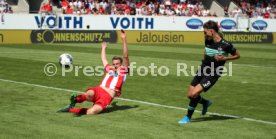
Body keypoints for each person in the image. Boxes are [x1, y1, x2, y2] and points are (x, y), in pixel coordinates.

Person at [178, 20, 240, 124]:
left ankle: (188, 117)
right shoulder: (207, 40)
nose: (204, 33)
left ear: (211, 31)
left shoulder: (226, 44)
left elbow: (238, 55)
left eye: (205, 31)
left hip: (213, 73)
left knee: (194, 94)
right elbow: (205, 52)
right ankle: (206, 102)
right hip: (202, 69)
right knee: (189, 95)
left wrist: (224, 58)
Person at [58, 31, 129, 115]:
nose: (115, 65)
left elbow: (125, 56)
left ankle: (70, 109)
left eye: (117, 64)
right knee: (89, 94)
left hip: (107, 97)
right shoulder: (110, 69)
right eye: (113, 64)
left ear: (121, 64)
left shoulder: (123, 71)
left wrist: (124, 40)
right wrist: (103, 47)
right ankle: (76, 99)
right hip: (99, 89)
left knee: (93, 111)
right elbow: (104, 59)